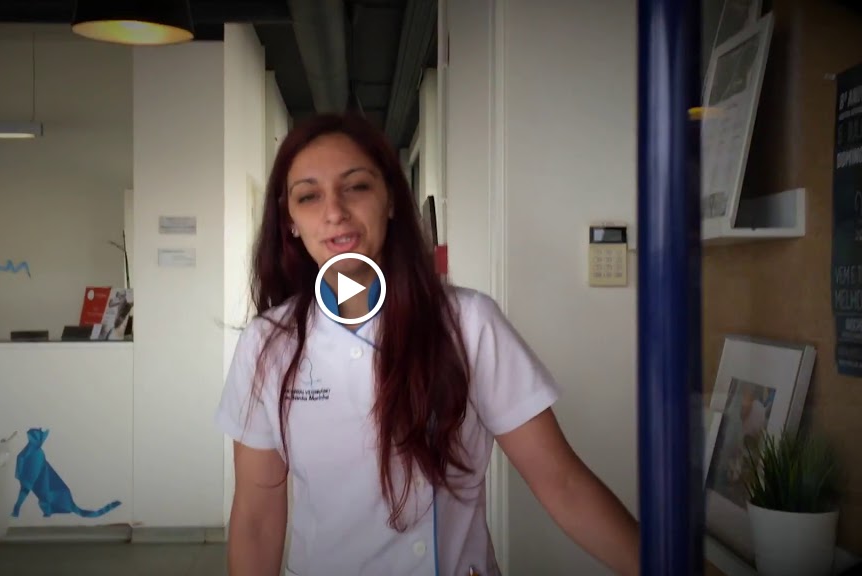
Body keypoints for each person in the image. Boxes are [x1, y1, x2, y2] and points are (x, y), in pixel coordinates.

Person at [214, 112, 640, 576]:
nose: (334, 211)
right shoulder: (268, 344)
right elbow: (256, 517)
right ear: (290, 222)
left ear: (391, 201)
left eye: (356, 186)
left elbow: (563, 484)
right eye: (309, 196)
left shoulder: (467, 324)